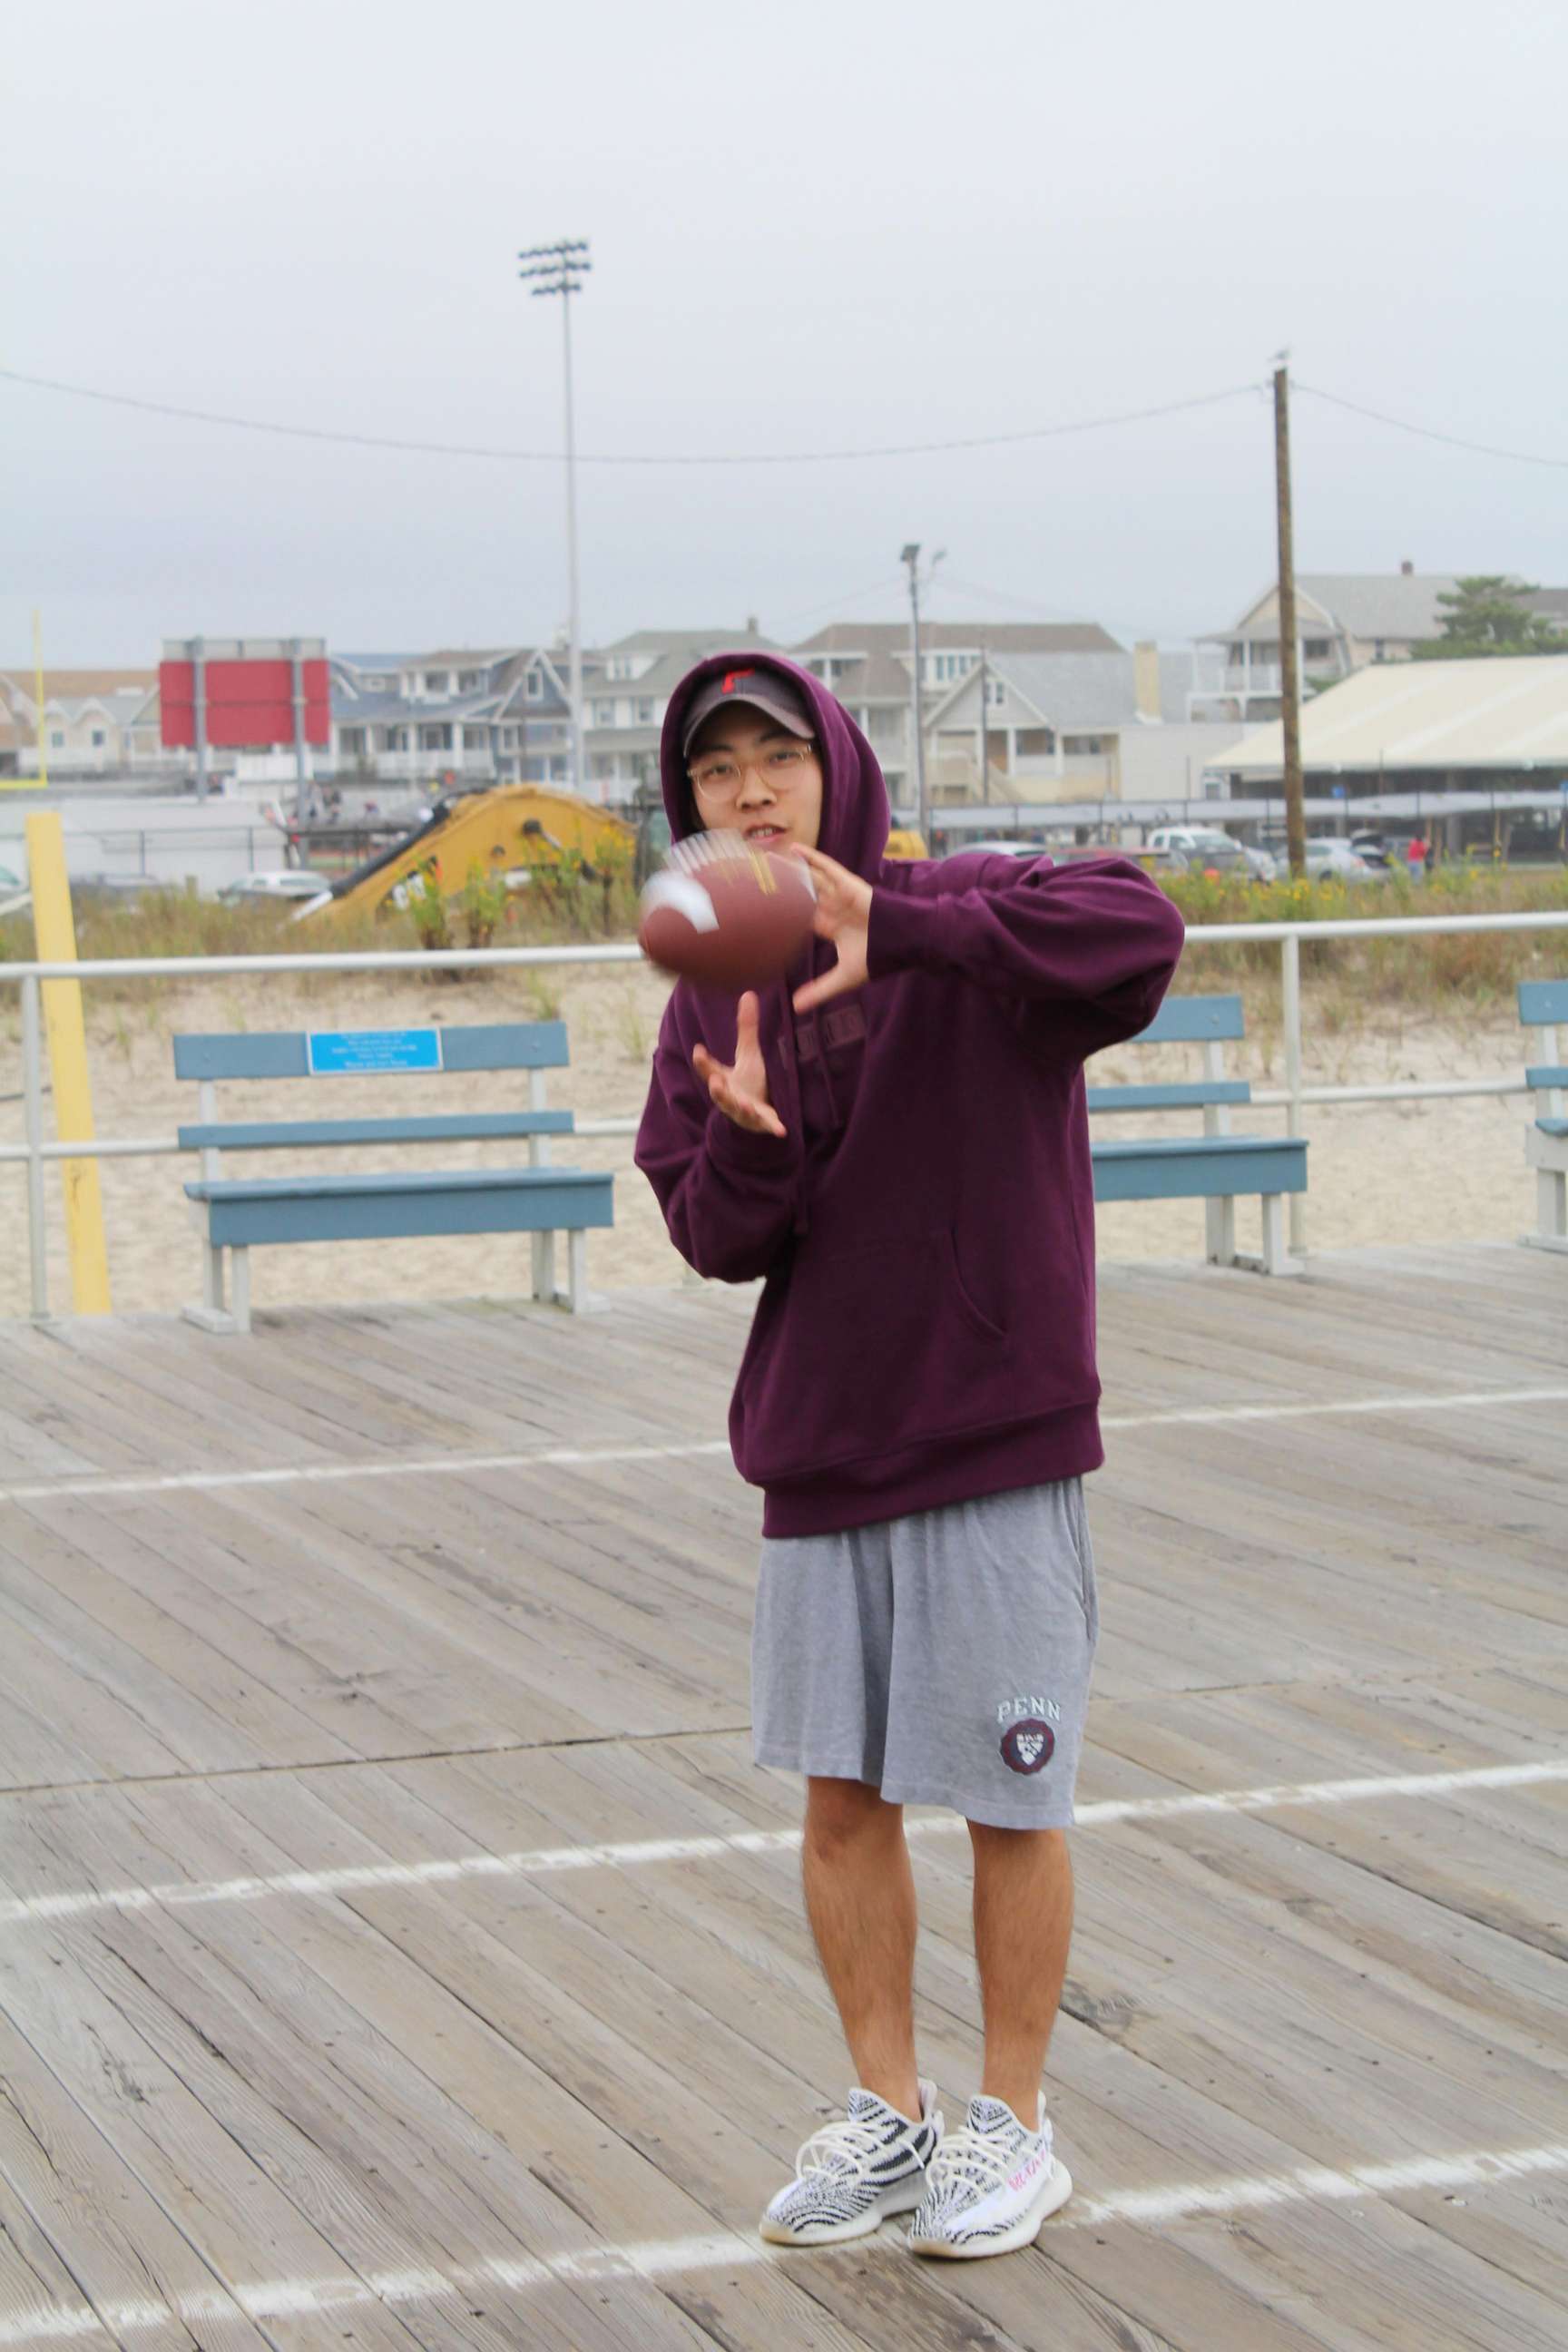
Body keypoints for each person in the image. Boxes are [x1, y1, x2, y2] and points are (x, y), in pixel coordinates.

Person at [635, 655, 1183, 2260]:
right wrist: (744, 1155)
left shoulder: (977, 908)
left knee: (1013, 1796)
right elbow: (704, 1229)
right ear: (691, 809)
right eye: (715, 769)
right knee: (841, 1805)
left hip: (997, 1436)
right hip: (820, 1448)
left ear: (838, 767)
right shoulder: (708, 991)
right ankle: (892, 2114)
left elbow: (1142, 931)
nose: (748, 788)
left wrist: (914, 926)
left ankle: (1013, 2128)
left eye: (776, 755)